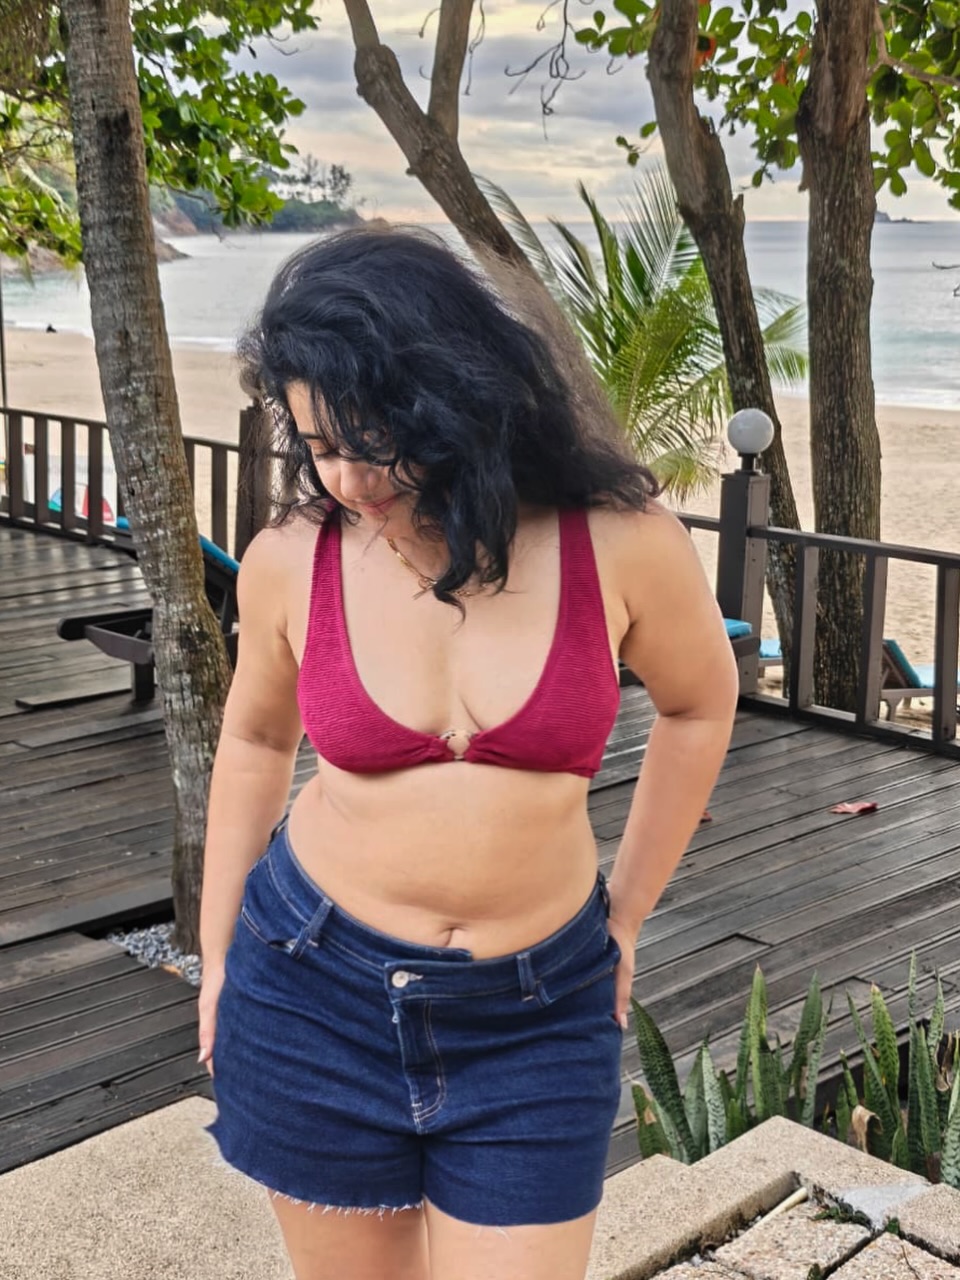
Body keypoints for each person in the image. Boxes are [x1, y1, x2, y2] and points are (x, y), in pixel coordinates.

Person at [198, 227, 739, 1280]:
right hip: (312, 987)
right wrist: (218, 955)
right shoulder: (290, 560)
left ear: (453, 397)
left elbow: (700, 705)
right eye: (320, 445)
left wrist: (626, 915)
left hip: (537, 1015)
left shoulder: (619, 541)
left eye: (375, 439)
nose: (350, 477)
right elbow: (256, 739)